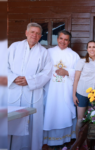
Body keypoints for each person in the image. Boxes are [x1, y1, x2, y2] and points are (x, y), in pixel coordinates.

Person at [7, 22, 52, 150]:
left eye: (38, 33)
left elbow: (47, 72)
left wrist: (29, 80)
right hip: (13, 91)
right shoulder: (14, 47)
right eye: (32, 32)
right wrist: (13, 78)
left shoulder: (44, 52)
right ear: (26, 33)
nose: (34, 35)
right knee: (11, 121)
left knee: (31, 123)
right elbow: (3, 65)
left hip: (32, 93)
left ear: (40, 36)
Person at [43, 30, 80, 146]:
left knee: (64, 112)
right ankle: (49, 140)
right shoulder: (48, 52)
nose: (63, 42)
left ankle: (64, 140)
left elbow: (79, 73)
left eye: (66, 39)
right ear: (57, 39)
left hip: (66, 90)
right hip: (51, 89)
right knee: (51, 110)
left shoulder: (74, 55)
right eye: (61, 38)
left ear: (69, 41)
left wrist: (67, 72)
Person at [73, 40, 95, 138]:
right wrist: (74, 95)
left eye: (94, 47)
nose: (92, 49)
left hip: (94, 96)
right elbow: (76, 79)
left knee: (91, 119)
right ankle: (78, 142)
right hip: (82, 93)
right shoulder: (82, 61)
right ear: (87, 49)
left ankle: (88, 141)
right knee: (80, 120)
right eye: (90, 47)